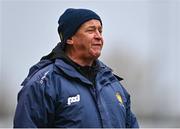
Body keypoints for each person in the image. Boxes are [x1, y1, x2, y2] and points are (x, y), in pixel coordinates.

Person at [13, 8, 139, 128]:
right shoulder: (44, 83)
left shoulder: (112, 84)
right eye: (91, 30)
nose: (98, 36)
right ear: (69, 38)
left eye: (100, 31)